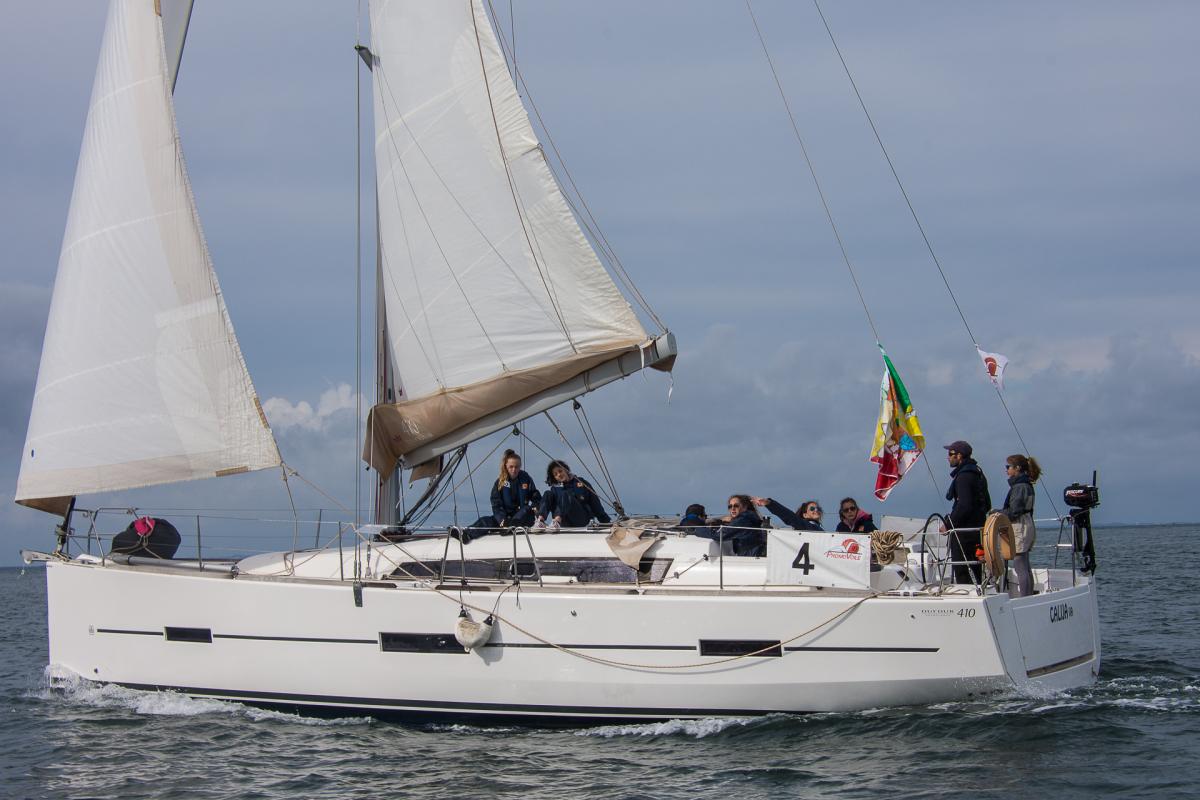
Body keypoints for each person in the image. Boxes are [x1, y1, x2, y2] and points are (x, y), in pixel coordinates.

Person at [462, 450, 541, 541]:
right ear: (506, 466)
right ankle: (466, 534)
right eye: (511, 467)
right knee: (485, 521)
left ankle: (511, 526)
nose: (514, 470)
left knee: (526, 509)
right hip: (505, 518)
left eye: (516, 467)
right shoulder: (500, 482)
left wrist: (535, 507)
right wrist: (502, 520)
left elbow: (535, 496)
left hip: (522, 518)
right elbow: (496, 503)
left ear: (520, 466)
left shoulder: (525, 478)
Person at [943, 440, 992, 584]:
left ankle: (966, 593)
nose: (948, 457)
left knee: (962, 570)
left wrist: (948, 524)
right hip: (978, 530)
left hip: (964, 533)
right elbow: (987, 504)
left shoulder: (964, 476)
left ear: (959, 456)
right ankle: (981, 590)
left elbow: (964, 505)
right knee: (977, 568)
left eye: (950, 454)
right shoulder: (978, 473)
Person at [1001, 453, 1041, 598]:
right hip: (1027, 523)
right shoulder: (1027, 485)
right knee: (1025, 565)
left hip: (1019, 525)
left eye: (1008, 467)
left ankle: (1025, 598)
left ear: (1017, 468)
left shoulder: (1019, 487)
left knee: (1020, 565)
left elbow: (1014, 511)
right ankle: (1028, 596)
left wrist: (997, 512)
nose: (1006, 470)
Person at [536, 460, 611, 529]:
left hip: (581, 518)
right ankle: (540, 521)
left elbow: (595, 503)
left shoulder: (580, 482)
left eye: (560, 471)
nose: (559, 474)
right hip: (565, 521)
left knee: (565, 494)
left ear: (565, 470)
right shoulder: (555, 489)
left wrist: (606, 522)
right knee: (547, 493)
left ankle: (557, 521)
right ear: (555, 478)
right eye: (555, 474)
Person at [698, 494, 766, 556]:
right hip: (754, 554)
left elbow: (719, 535)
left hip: (750, 556)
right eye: (730, 506)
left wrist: (697, 530)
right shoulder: (749, 517)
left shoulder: (742, 520)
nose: (733, 508)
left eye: (736, 506)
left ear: (744, 507)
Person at [752, 496, 823, 531]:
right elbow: (790, 517)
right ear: (805, 515)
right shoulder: (805, 526)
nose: (816, 510)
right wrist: (770, 504)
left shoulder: (818, 526)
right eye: (812, 508)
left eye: (818, 508)